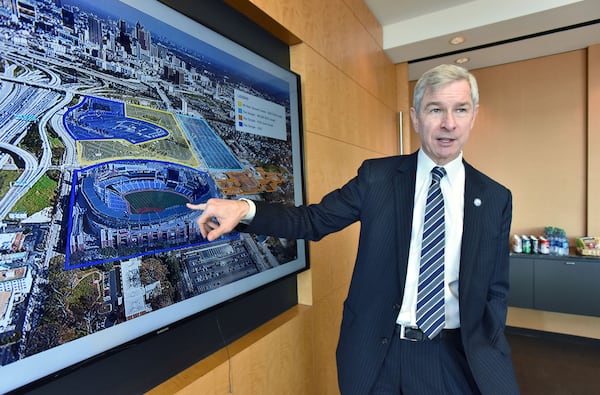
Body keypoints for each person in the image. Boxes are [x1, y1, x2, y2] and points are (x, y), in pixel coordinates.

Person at [187, 64, 519, 395]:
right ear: (416, 117)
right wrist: (246, 208)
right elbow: (311, 220)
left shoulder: (494, 198)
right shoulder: (377, 178)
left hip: (452, 355)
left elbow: (496, 289)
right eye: (436, 109)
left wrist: (486, 344)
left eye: (460, 110)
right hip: (378, 354)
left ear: (473, 116)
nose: (449, 123)